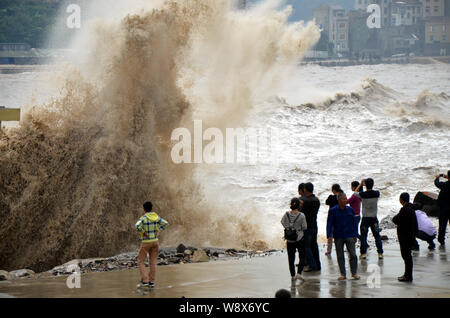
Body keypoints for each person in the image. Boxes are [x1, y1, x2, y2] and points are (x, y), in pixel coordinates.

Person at [327, 192, 360, 281]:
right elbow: (329, 223)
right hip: (338, 236)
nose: (345, 200)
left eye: (346, 199)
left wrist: (355, 235)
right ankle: (343, 274)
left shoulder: (350, 210)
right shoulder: (333, 210)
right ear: (338, 200)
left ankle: (354, 273)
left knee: (353, 254)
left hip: (349, 234)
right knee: (340, 255)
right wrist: (329, 235)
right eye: (343, 199)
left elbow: (354, 223)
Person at [135, 201, 169, 289]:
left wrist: (143, 232)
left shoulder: (143, 218)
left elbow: (137, 226)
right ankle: (151, 281)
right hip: (155, 242)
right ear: (151, 208)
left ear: (144, 209)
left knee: (141, 261)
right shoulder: (156, 217)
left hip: (146, 242)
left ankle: (145, 281)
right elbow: (166, 223)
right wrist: (158, 230)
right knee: (152, 262)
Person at [355, 178, 384, 260]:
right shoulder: (377, 193)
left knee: (364, 236)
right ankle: (380, 253)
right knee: (377, 236)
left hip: (365, 219)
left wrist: (360, 184)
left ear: (365, 185)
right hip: (374, 218)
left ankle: (363, 253)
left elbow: (354, 193)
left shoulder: (362, 194)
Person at [392, 193, 418, 282]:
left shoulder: (404, 210)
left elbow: (395, 219)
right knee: (408, 256)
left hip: (405, 236)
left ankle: (408, 276)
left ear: (401, 200)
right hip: (410, 235)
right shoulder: (411, 208)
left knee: (406, 256)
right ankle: (407, 275)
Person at [281, 198, 308, 283]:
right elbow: (305, 227)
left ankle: (292, 276)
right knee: (302, 256)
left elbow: (282, 222)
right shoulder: (301, 215)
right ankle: (299, 273)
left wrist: (289, 228)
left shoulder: (286, 214)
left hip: (289, 239)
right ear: (298, 205)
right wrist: (297, 228)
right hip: (299, 238)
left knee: (291, 258)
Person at [300, 182, 321, 272]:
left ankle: (311, 265)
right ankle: (317, 264)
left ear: (305, 189)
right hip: (314, 225)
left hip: (306, 226)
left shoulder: (304, 201)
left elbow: (301, 212)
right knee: (314, 246)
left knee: (306, 246)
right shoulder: (316, 200)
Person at [325, 184, 341, 256]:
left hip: (331, 217)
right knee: (339, 234)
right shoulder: (341, 197)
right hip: (340, 217)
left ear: (334, 190)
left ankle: (329, 251)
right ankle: (340, 248)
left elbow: (326, 202)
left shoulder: (331, 197)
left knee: (330, 235)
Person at [435, 171, 450, 246]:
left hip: (444, 208)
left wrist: (438, 177)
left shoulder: (444, 185)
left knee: (442, 225)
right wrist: (445, 176)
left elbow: (437, 183)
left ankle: (441, 240)